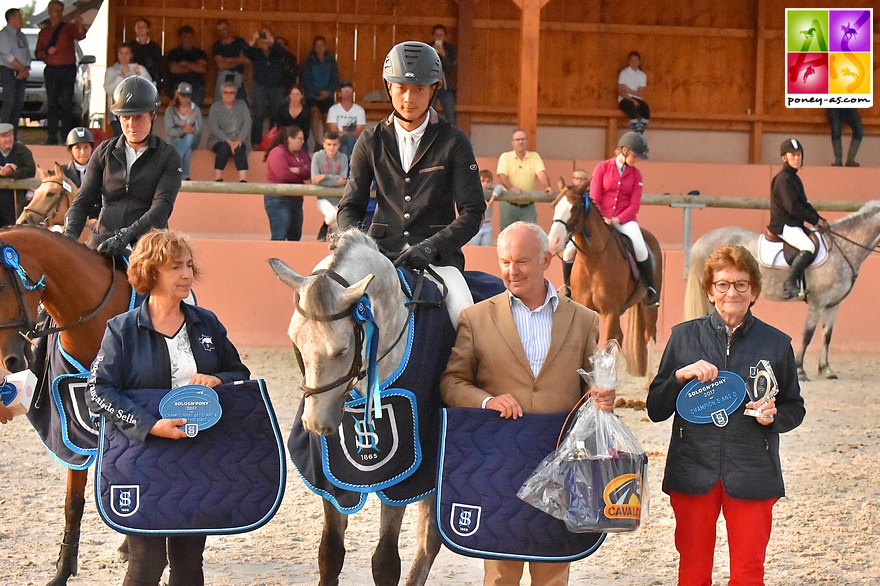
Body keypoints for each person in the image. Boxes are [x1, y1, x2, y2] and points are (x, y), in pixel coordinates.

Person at [441, 221, 613, 586]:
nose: (511, 271)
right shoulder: (476, 317)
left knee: (553, 566)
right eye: (504, 262)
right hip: (500, 461)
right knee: (501, 570)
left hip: (559, 459)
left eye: (521, 261)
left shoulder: (584, 320)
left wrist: (604, 395)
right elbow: (451, 384)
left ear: (546, 260)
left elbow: (594, 385)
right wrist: (486, 400)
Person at [85, 228, 250, 586]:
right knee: (146, 564)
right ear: (151, 271)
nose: (187, 274)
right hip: (142, 459)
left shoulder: (206, 322)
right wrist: (149, 425)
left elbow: (240, 372)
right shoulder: (122, 330)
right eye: (176, 267)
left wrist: (217, 379)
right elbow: (98, 391)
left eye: (189, 265)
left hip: (196, 460)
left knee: (190, 565)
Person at [647, 244, 805, 586]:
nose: (731, 292)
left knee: (749, 575)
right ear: (709, 290)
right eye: (722, 284)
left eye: (741, 284)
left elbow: (795, 406)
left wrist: (773, 417)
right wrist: (679, 377)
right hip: (692, 470)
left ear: (755, 291)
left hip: (752, 471)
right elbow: (655, 408)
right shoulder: (683, 338)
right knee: (692, 572)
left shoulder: (776, 344)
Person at [336, 41, 485, 327]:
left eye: (418, 89)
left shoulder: (455, 142)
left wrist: (432, 247)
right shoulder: (370, 141)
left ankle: (463, 373)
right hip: (379, 255)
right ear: (389, 87)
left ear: (433, 90)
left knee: (466, 320)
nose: (408, 98)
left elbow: (472, 212)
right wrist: (356, 247)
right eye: (401, 87)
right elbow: (350, 206)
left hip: (438, 261)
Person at [64, 76, 182, 257]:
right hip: (103, 240)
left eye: (138, 117)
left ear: (153, 115)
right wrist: (68, 238)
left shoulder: (169, 156)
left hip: (148, 244)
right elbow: (82, 201)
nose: (131, 125)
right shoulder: (103, 152)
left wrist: (126, 235)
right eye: (126, 117)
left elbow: (161, 208)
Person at [589, 131, 660, 306]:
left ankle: (650, 289)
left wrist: (617, 220)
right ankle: (568, 287)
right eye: (635, 155)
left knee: (641, 248)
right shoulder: (602, 168)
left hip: (625, 220)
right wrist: (602, 218)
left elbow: (634, 205)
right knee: (569, 249)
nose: (638, 160)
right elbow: (594, 198)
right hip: (600, 219)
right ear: (624, 150)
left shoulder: (636, 175)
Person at [769, 138, 828, 300]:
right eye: (793, 155)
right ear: (784, 158)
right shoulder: (783, 179)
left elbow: (804, 204)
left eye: (799, 155)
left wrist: (819, 219)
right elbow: (793, 207)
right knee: (808, 246)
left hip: (794, 224)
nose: (797, 158)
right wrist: (814, 221)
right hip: (784, 225)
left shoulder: (794, 178)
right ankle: (790, 284)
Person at [35, 0, 86, 145]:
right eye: (55, 10)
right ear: (49, 12)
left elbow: (80, 36)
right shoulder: (44, 32)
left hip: (67, 69)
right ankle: (51, 136)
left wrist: (79, 24)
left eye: (60, 11)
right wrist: (46, 52)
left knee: (66, 103)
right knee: (52, 104)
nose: (57, 13)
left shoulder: (69, 28)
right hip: (51, 70)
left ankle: (66, 136)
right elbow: (38, 53)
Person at [496, 128, 553, 230]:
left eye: (523, 139)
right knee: (506, 235)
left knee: (531, 234)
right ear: (512, 143)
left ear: (527, 142)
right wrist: (511, 188)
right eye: (517, 140)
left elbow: (541, 173)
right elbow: (502, 176)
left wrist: (547, 186)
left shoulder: (534, 156)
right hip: (509, 205)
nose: (520, 142)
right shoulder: (505, 157)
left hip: (528, 206)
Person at [263, 125, 310, 241]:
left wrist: (297, 170)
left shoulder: (301, 154)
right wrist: (301, 174)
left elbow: (309, 171)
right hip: (278, 199)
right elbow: (283, 175)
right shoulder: (277, 152)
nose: (303, 142)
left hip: (296, 199)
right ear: (290, 139)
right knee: (280, 235)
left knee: (295, 236)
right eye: (300, 138)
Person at [244, 28, 288, 147]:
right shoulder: (256, 52)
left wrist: (272, 40)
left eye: (266, 37)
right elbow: (246, 52)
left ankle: (274, 142)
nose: (264, 40)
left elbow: (284, 53)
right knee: (258, 115)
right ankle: (256, 143)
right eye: (262, 37)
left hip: (276, 87)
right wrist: (253, 39)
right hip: (260, 87)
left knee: (276, 115)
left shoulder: (277, 52)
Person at [104, 43, 153, 136]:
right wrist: (121, 75)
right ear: (117, 55)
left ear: (131, 55)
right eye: (121, 53)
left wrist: (140, 75)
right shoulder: (111, 71)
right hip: (118, 115)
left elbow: (150, 87)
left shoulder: (139, 68)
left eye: (126, 53)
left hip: (138, 113)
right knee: (121, 143)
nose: (124, 56)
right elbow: (109, 90)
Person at [301, 36, 340, 151]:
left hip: (327, 94)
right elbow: (306, 80)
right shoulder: (309, 61)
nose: (319, 48)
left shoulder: (331, 60)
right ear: (314, 47)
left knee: (327, 115)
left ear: (325, 46)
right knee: (314, 112)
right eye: (317, 46)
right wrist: (317, 92)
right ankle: (317, 143)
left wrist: (328, 91)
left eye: (321, 45)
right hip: (312, 95)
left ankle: (326, 142)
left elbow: (335, 79)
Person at [207, 82, 251, 182]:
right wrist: (228, 141)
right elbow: (213, 127)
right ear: (221, 93)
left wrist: (240, 139)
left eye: (231, 93)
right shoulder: (215, 107)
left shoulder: (242, 105)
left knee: (239, 149)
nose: (228, 95)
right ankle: (218, 178)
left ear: (235, 94)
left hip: (239, 139)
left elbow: (247, 123)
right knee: (224, 147)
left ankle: (243, 180)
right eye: (225, 92)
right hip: (219, 140)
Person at [557, 168, 590, 296]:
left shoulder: (591, 195)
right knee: (567, 254)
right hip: (577, 234)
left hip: (592, 233)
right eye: (576, 178)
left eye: (582, 179)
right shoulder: (569, 196)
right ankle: (568, 287)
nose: (579, 181)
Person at [311, 130, 348, 241]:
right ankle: (325, 226)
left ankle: (326, 229)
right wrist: (335, 180)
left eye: (334, 145)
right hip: (323, 198)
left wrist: (324, 177)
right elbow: (315, 179)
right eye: (329, 144)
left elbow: (343, 179)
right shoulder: (317, 156)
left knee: (338, 234)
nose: (331, 148)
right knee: (332, 216)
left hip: (339, 199)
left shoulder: (343, 158)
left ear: (339, 145)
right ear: (324, 145)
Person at [0, 8, 31, 137]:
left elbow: (27, 54)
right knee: (10, 102)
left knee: (18, 104)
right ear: (11, 19)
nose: (21, 20)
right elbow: (7, 55)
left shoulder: (22, 36)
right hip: (8, 72)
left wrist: (26, 68)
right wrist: (21, 69)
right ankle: (4, 133)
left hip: (21, 73)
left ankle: (14, 135)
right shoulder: (4, 35)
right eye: (19, 17)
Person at [164, 82, 203, 181]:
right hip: (174, 140)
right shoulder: (171, 110)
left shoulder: (195, 109)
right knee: (187, 150)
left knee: (189, 137)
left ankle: (176, 160)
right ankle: (185, 177)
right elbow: (169, 131)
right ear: (178, 94)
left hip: (192, 139)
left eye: (188, 96)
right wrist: (182, 131)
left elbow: (199, 130)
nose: (186, 98)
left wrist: (191, 130)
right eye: (183, 95)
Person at [0, 122, 35, 225]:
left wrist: (13, 172)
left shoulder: (22, 150)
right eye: (3, 136)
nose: (8, 139)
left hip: (17, 200)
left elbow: (30, 170)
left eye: (10, 135)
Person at [166, 25, 208, 108]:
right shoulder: (174, 53)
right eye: (185, 37)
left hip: (196, 86)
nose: (188, 39)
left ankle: (190, 120)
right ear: (180, 39)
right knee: (181, 101)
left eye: (190, 37)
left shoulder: (200, 53)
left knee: (195, 100)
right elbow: (174, 69)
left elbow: (202, 69)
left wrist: (185, 64)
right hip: (178, 85)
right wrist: (194, 66)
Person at [211, 19, 249, 103]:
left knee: (241, 104)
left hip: (238, 77)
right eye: (219, 30)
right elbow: (221, 65)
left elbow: (247, 59)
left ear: (228, 28)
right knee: (220, 104)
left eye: (224, 29)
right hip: (223, 77)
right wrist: (239, 60)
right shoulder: (217, 46)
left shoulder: (240, 42)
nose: (222, 32)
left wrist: (228, 60)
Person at [325, 80, 365, 158]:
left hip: (353, 141)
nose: (347, 92)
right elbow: (333, 130)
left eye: (349, 90)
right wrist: (345, 135)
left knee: (346, 146)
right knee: (346, 145)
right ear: (339, 93)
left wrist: (347, 135)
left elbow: (359, 131)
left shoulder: (359, 110)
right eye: (344, 90)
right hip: (338, 140)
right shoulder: (333, 109)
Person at [429, 24, 456, 127]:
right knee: (430, 115)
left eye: (441, 35)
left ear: (445, 36)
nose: (439, 37)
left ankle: (453, 140)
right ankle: (431, 137)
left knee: (450, 115)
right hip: (431, 86)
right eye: (436, 35)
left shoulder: (450, 49)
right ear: (433, 36)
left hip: (446, 87)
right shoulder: (428, 48)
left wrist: (444, 55)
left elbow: (451, 68)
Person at [617, 51, 650, 134]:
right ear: (628, 61)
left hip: (637, 99)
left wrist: (627, 89)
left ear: (639, 62)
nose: (634, 62)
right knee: (631, 108)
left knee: (646, 109)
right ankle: (636, 130)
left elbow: (639, 93)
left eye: (636, 60)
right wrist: (631, 98)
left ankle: (640, 131)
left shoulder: (642, 75)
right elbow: (620, 90)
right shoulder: (624, 73)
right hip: (624, 98)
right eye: (632, 60)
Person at [130, 18, 164, 92]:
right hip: (133, 80)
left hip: (151, 81)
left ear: (148, 29)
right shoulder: (129, 46)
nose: (140, 29)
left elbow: (159, 66)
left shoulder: (155, 47)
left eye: (143, 27)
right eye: (138, 26)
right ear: (135, 29)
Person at [468, 169, 500, 246]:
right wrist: (484, 200)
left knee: (487, 247)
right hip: (476, 224)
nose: (485, 183)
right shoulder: (475, 190)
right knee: (474, 248)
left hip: (487, 225)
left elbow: (499, 187)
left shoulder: (491, 190)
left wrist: (492, 199)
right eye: (483, 181)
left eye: (488, 181)